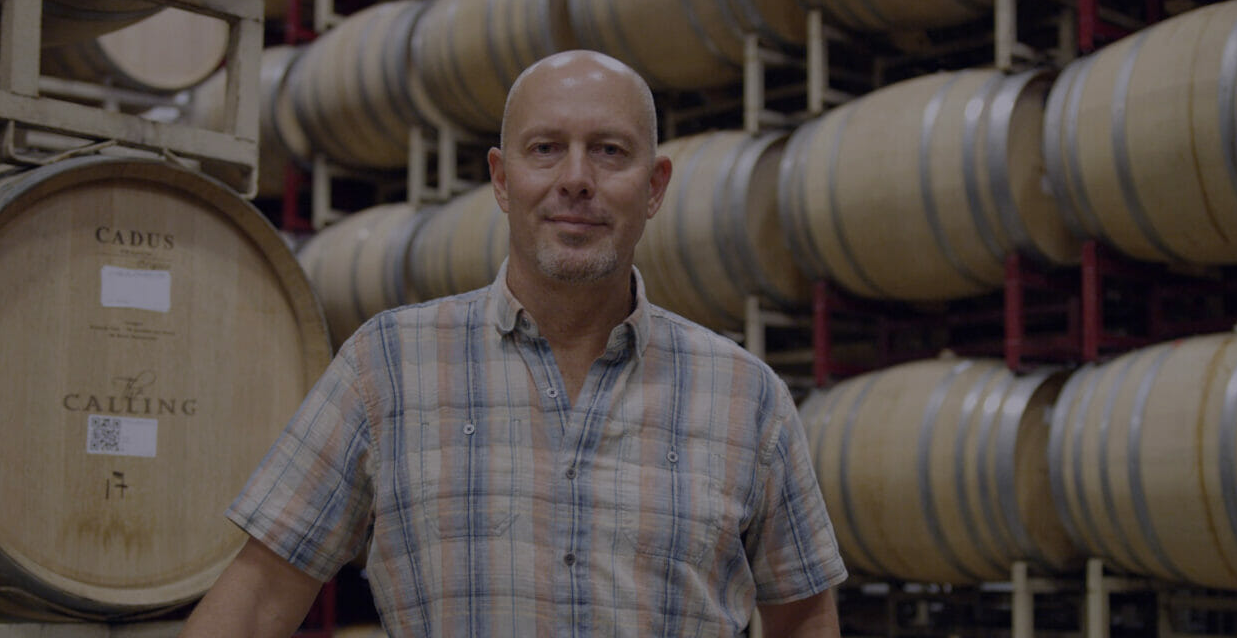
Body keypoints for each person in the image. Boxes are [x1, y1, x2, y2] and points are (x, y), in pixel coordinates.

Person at [180, 50, 846, 637]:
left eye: (610, 151)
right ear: (501, 179)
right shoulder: (386, 366)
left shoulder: (746, 396)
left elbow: (804, 619)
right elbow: (257, 598)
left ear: (654, 186)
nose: (576, 178)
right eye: (545, 149)